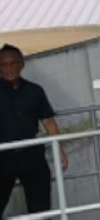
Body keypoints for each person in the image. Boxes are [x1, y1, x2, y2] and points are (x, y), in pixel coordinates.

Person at [0, 44, 67, 216]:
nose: (9, 68)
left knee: (40, 207)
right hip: (2, 156)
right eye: (3, 64)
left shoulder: (34, 91)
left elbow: (49, 121)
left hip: (31, 153)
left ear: (22, 64)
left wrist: (60, 150)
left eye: (13, 63)